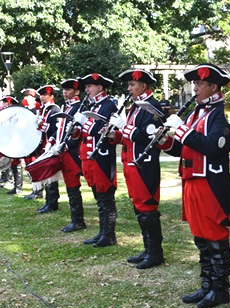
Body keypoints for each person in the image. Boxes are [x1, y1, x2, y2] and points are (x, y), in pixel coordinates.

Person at [157, 63, 230, 308]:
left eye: (199, 83)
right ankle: (207, 284)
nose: (195, 88)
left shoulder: (224, 111)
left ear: (213, 86)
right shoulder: (195, 112)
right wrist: (165, 141)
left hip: (210, 182)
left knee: (215, 235)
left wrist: (182, 130)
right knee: (200, 237)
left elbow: (214, 146)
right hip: (191, 179)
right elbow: (184, 148)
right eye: (194, 83)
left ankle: (220, 289)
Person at [109, 69, 166, 269]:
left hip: (145, 164)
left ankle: (155, 253)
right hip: (130, 161)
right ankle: (147, 247)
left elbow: (147, 136)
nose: (129, 88)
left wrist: (124, 126)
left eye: (132, 85)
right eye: (129, 85)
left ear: (143, 86)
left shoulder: (152, 106)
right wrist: (113, 135)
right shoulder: (135, 106)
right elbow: (129, 137)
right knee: (138, 206)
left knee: (147, 207)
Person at [71, 73, 118, 247]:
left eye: (90, 86)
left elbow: (101, 129)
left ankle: (109, 234)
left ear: (99, 87)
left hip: (102, 157)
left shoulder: (108, 105)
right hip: (88, 157)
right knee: (98, 196)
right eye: (86, 87)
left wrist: (84, 122)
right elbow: (84, 133)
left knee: (106, 196)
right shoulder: (92, 105)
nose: (86, 90)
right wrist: (75, 128)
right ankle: (102, 232)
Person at [57, 78, 87, 232]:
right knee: (70, 186)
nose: (65, 92)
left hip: (73, 152)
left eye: (68, 89)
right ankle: (76, 219)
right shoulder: (67, 107)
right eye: (64, 89)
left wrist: (66, 145)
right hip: (66, 150)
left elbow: (80, 133)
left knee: (75, 184)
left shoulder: (78, 107)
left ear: (76, 92)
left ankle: (78, 220)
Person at [34, 84, 62, 213]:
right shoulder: (45, 109)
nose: (42, 97)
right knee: (46, 175)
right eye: (41, 95)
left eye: (45, 94)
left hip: (51, 145)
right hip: (44, 145)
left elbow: (56, 129)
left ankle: (52, 202)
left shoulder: (54, 109)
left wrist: (43, 126)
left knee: (51, 175)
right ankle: (48, 201)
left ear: (51, 96)